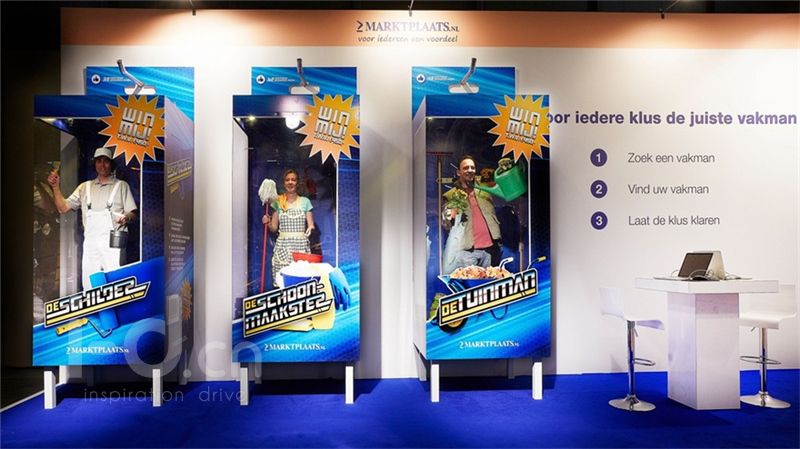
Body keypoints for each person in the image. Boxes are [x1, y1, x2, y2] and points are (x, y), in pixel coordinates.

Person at [48, 147, 138, 290]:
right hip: (91, 244)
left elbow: (133, 214)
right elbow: (62, 208)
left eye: (106, 161)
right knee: (90, 286)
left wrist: (125, 218)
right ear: (94, 164)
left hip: (113, 244)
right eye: (99, 161)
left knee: (117, 284)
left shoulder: (121, 186)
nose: (102, 165)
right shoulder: (84, 187)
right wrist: (55, 187)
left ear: (111, 164)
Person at [442, 155, 501, 270]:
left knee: (488, 281)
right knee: (470, 281)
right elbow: (445, 223)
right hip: (466, 252)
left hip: (490, 250)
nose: (470, 170)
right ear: (458, 172)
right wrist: (449, 216)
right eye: (465, 168)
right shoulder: (451, 195)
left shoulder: (485, 189)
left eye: (472, 167)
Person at [263, 169, 315, 286]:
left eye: (293, 180)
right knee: (283, 281)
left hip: (300, 247)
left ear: (297, 182)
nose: (290, 182)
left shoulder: (305, 202)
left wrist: (310, 228)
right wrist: (268, 222)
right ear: (284, 182)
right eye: (287, 180)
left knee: (301, 281)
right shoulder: (278, 202)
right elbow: (274, 228)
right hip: (283, 247)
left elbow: (311, 224)